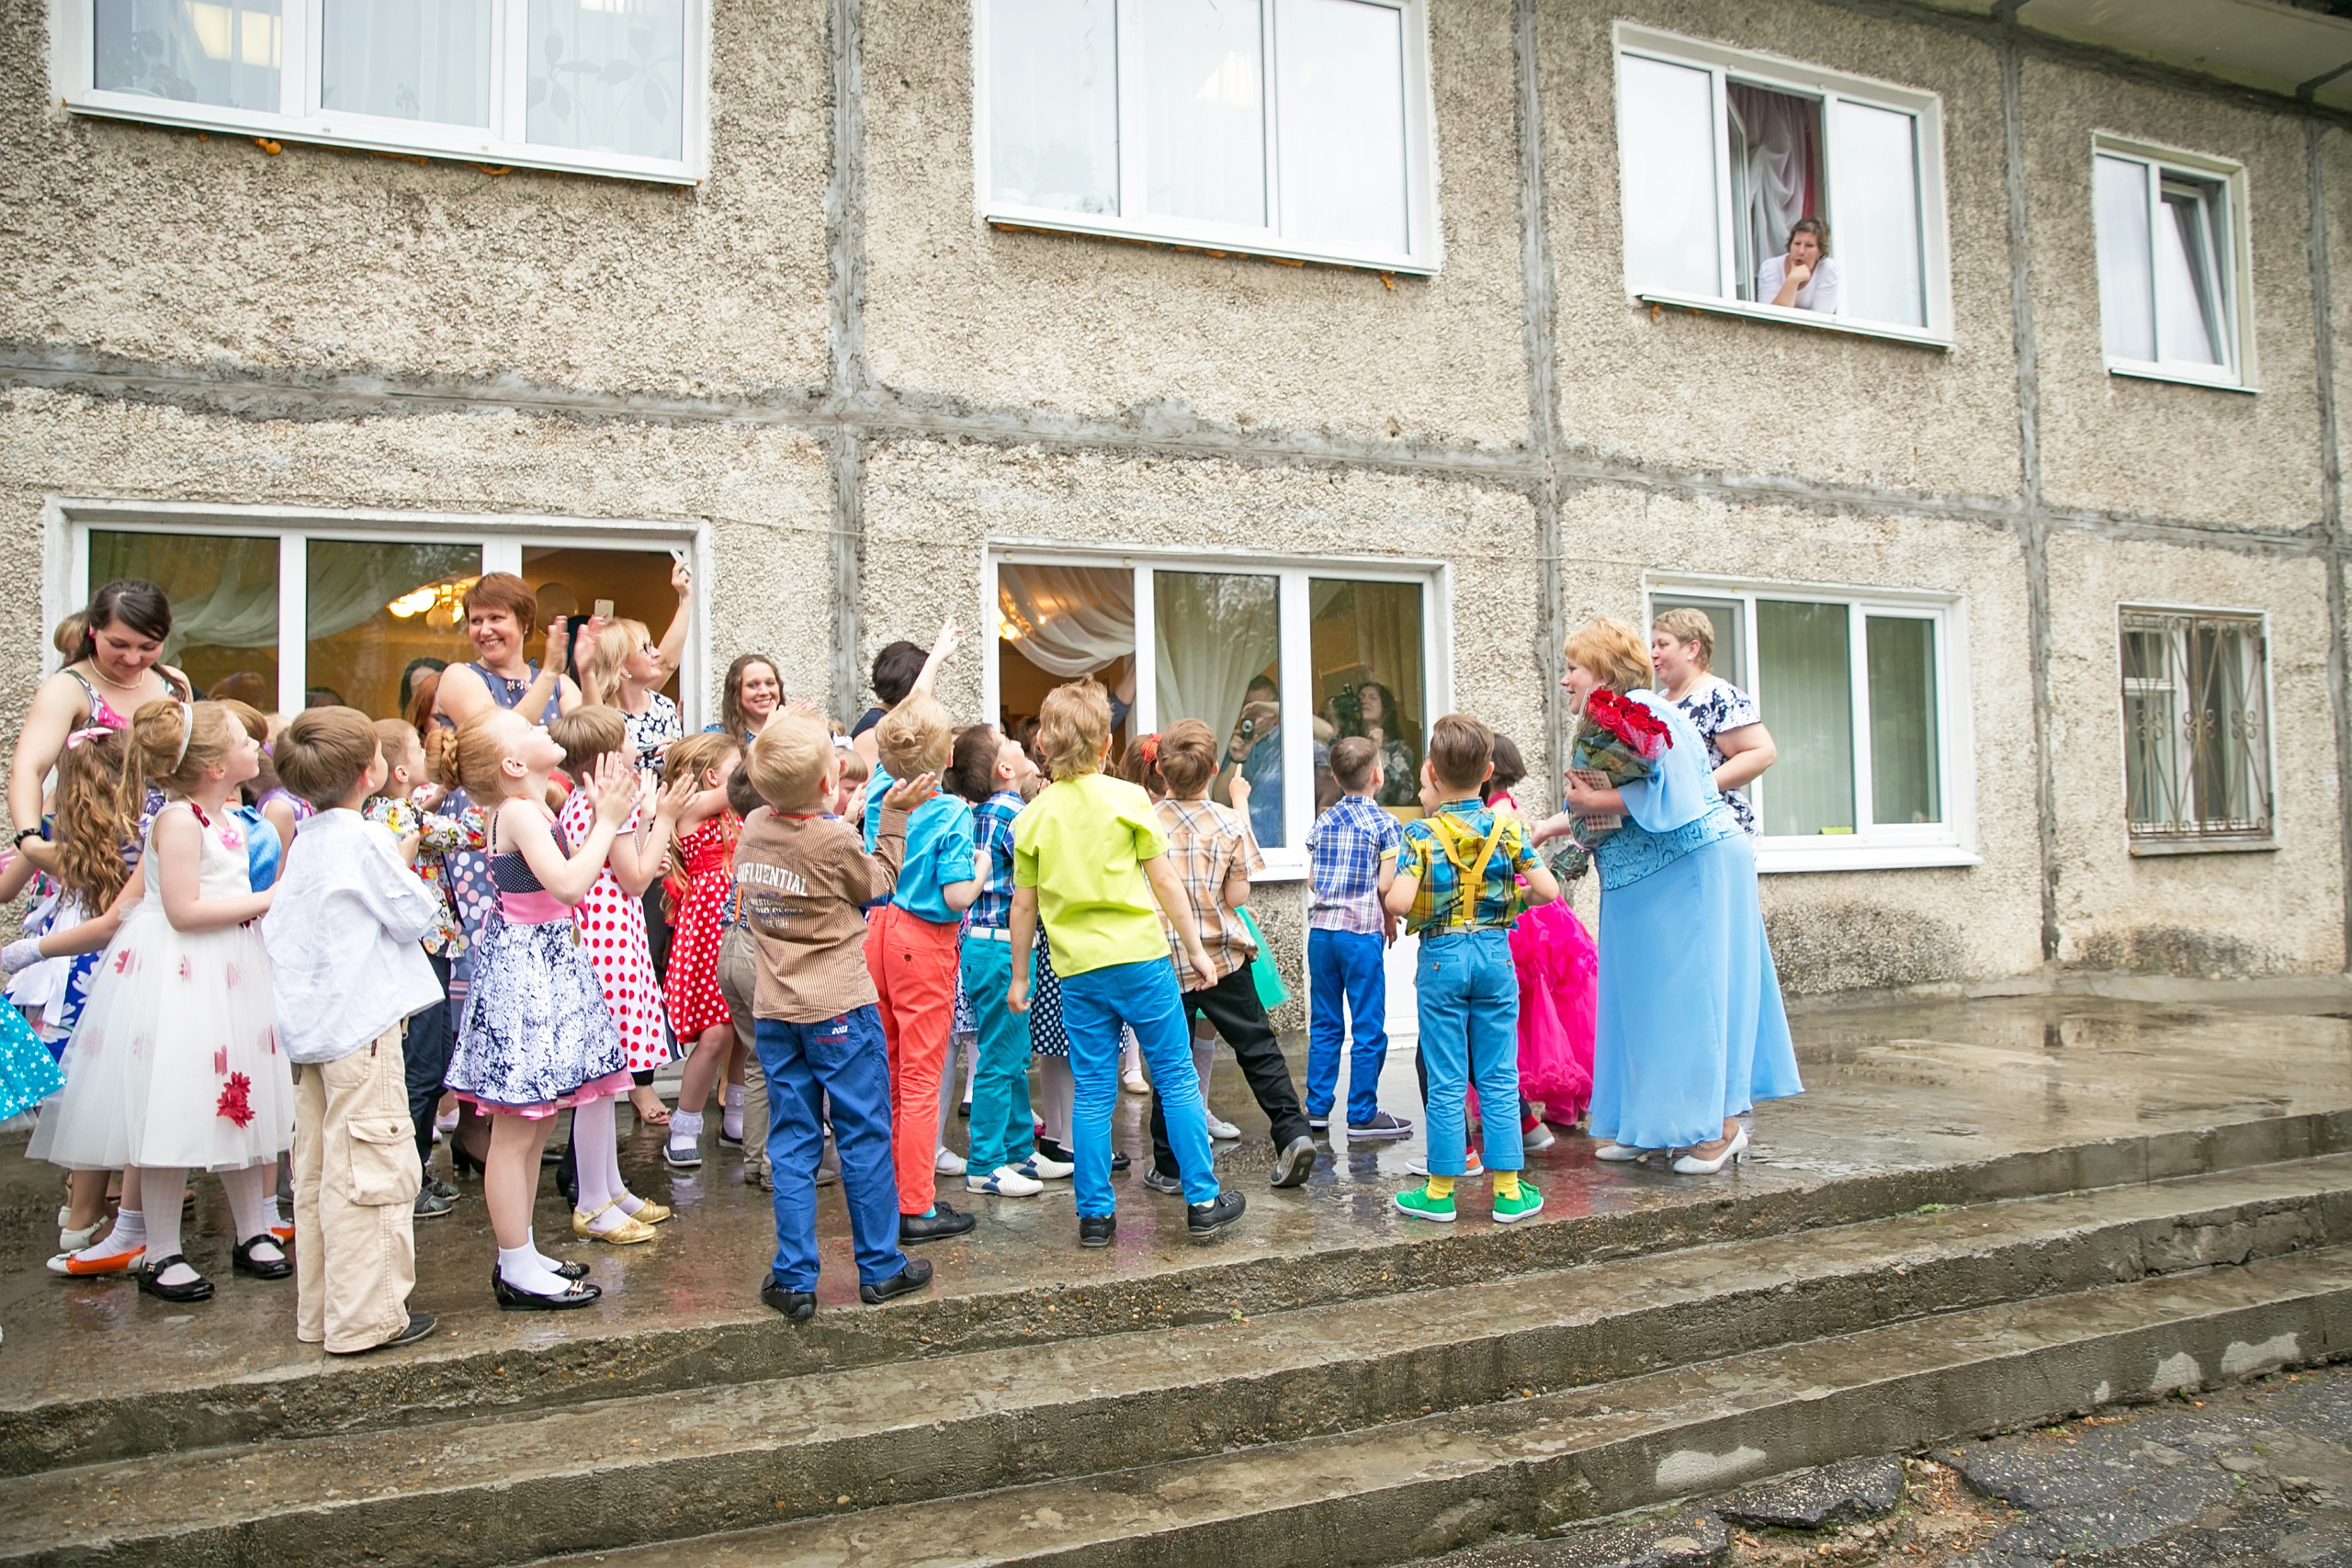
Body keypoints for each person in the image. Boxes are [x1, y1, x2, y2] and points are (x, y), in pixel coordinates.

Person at [32, 700, 294, 1302]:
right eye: (239, 739)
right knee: (172, 1105)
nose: (255, 746)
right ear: (209, 765)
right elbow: (184, 909)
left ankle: (252, 1228)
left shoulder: (226, 816)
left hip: (230, 971)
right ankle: (160, 1248)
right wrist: (269, 899)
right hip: (183, 974)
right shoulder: (178, 821)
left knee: (239, 1095)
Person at [1532, 619, 1803, 1174]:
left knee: (1695, 1000)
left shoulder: (1647, 713)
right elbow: (1605, 803)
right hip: (1641, 881)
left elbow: (1679, 792)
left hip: (1689, 871)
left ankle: (1719, 1130)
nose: (1565, 680)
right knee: (1640, 1004)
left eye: (1573, 668)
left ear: (1603, 670)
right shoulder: (1614, 721)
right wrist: (1553, 825)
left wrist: (1592, 804)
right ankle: (1649, 1123)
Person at [1007, 678, 1242, 1248]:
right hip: (1141, 960)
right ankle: (1204, 1200)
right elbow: (1164, 882)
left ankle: (1094, 1215)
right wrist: (1194, 948)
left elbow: (1024, 905)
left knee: (1091, 1090)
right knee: (1177, 1076)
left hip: (1077, 972)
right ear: (1105, 745)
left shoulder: (1032, 818)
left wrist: (1019, 977)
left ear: (1043, 746)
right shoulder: (1131, 799)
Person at [733, 715, 937, 1318]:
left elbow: (810, 838)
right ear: (830, 781)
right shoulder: (831, 839)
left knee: (793, 1141)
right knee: (863, 1134)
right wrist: (893, 818)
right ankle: (880, 1266)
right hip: (840, 1010)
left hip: (777, 1010)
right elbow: (878, 881)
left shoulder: (753, 827)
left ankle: (794, 1278)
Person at [438, 706, 639, 1309]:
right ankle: (514, 1262)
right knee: (515, 1126)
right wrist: (608, 820)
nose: (542, 726)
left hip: (548, 966)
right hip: (527, 976)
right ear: (513, 763)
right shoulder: (520, 811)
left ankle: (522, 1250)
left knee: (539, 1119)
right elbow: (571, 883)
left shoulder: (538, 803)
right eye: (526, 729)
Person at [263, 707, 444, 1354]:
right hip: (360, 1027)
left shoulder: (305, 841)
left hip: (313, 1032)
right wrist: (406, 853)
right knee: (371, 1170)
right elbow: (415, 912)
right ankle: (369, 1317)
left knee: (315, 1175)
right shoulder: (362, 837)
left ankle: (323, 1312)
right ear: (371, 770)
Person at [1384, 715, 1559, 1225]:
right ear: (1488, 771)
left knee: (1445, 1077)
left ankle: (1439, 1192)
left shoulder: (1420, 833)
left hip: (1442, 959)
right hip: (1495, 956)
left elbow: (1398, 901)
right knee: (1499, 1074)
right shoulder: (1508, 830)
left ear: (1432, 773)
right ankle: (1509, 1191)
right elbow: (1547, 891)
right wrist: (1505, 903)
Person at [1141, 721, 1317, 1191]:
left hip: (1166, 958)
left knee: (1169, 1062)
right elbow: (1238, 894)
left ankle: (1169, 1164)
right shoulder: (1228, 821)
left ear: (1160, 768)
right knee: (1259, 1050)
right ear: (1215, 769)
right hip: (1223, 955)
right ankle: (1293, 1133)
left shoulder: (1146, 820)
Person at [548, 707, 689, 1241]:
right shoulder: (606, 807)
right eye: (630, 740)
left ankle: (610, 1189)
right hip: (611, 948)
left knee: (607, 1084)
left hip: (602, 940)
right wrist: (665, 817)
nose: (637, 747)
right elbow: (634, 878)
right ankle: (593, 1201)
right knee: (600, 1086)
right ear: (610, 754)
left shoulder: (579, 803)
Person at [862, 694, 981, 1243]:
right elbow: (957, 896)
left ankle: (887, 1193)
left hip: (877, 932)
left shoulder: (880, 797)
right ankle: (917, 1204)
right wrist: (981, 866)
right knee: (921, 1077)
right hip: (922, 941)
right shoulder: (954, 812)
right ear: (946, 756)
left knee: (887, 1071)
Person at [364, 717, 482, 1217]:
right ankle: (408, 1179)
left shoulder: (388, 810)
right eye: (416, 750)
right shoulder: (402, 819)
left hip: (422, 949)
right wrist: (478, 785)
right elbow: (471, 833)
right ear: (398, 769)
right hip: (422, 950)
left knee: (426, 1060)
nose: (423, 757)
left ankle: (414, 1170)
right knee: (423, 1065)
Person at [944, 724, 1066, 1198]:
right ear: (1006, 768)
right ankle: (986, 1164)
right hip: (1001, 948)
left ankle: (1018, 1151)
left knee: (1011, 1053)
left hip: (985, 947)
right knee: (1000, 1058)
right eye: (1009, 740)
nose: (1020, 740)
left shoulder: (984, 813)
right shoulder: (1018, 816)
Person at [9, 581, 189, 874]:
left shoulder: (174, 685)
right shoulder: (68, 688)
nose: (132, 658)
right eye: (118, 645)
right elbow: (29, 769)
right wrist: (30, 840)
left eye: (148, 647)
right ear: (93, 629)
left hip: (165, 858)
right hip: (94, 860)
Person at [1305, 737, 1410, 1141]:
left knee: (1326, 1023)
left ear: (1334, 776)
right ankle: (1362, 1113)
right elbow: (1386, 884)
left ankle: (1316, 1109)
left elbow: (1315, 880)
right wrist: (1387, 915)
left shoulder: (1323, 821)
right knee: (1367, 1024)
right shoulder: (1385, 824)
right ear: (1378, 776)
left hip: (1322, 935)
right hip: (1359, 934)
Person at [661, 731, 748, 1168]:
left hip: (742, 927)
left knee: (742, 1029)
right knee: (715, 1035)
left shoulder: (741, 815)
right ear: (714, 775)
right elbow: (745, 786)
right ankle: (684, 1123)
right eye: (738, 764)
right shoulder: (692, 810)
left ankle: (735, 1115)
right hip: (708, 934)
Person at [1650, 608, 1776, 838]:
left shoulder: (1718, 696)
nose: (1654, 653)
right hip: (1673, 830)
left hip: (1714, 830)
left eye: (1663, 644)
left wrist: (1700, 785)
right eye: (1653, 646)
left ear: (1692, 649)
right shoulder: (1657, 702)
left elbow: (1762, 752)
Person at [432, 572, 593, 729]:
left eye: (496, 618)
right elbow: (500, 740)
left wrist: (586, 673)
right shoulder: (459, 677)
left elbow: (597, 740)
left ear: (524, 623)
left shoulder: (559, 684)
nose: (484, 630)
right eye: (476, 621)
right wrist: (549, 672)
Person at [577, 560, 695, 764]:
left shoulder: (663, 707)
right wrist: (585, 670)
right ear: (620, 666)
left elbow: (683, 772)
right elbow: (596, 742)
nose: (657, 653)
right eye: (645, 648)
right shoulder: (602, 711)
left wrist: (677, 755)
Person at [850, 623, 962, 773]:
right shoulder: (872, 732)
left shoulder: (890, 722)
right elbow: (866, 791)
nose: (933, 691)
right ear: (908, 685)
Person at [1758, 216, 1841, 315]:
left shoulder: (1828, 269)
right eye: (1797, 244)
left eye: (1809, 246)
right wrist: (1792, 280)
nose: (1801, 251)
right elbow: (1770, 318)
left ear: (1820, 251)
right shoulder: (1771, 268)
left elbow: (1821, 320)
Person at [716, 652, 785, 746]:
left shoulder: (795, 733)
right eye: (752, 685)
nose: (764, 692)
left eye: (770, 683)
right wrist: (767, 730)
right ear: (736, 692)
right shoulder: (717, 735)